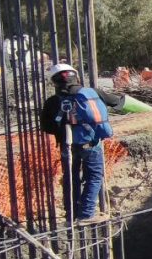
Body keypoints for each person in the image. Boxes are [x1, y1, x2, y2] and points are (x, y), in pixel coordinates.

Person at [40, 63, 123, 220]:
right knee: (94, 177)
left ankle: (71, 214)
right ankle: (86, 214)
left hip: (67, 146)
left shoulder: (52, 102)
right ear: (76, 77)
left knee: (70, 178)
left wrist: (62, 128)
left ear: (54, 82)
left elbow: (46, 127)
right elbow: (117, 102)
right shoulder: (92, 93)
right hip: (91, 144)